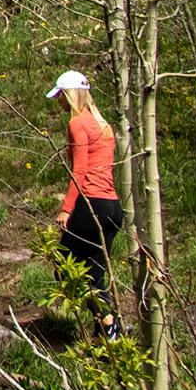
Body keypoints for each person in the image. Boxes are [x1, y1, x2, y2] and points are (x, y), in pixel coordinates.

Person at [48, 71, 123, 339]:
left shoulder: (78, 124)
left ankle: (107, 319)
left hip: (91, 204)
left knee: (63, 265)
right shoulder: (104, 125)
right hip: (113, 207)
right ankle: (108, 342)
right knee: (95, 273)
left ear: (69, 95)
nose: (59, 102)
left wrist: (66, 209)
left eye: (60, 96)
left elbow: (79, 171)